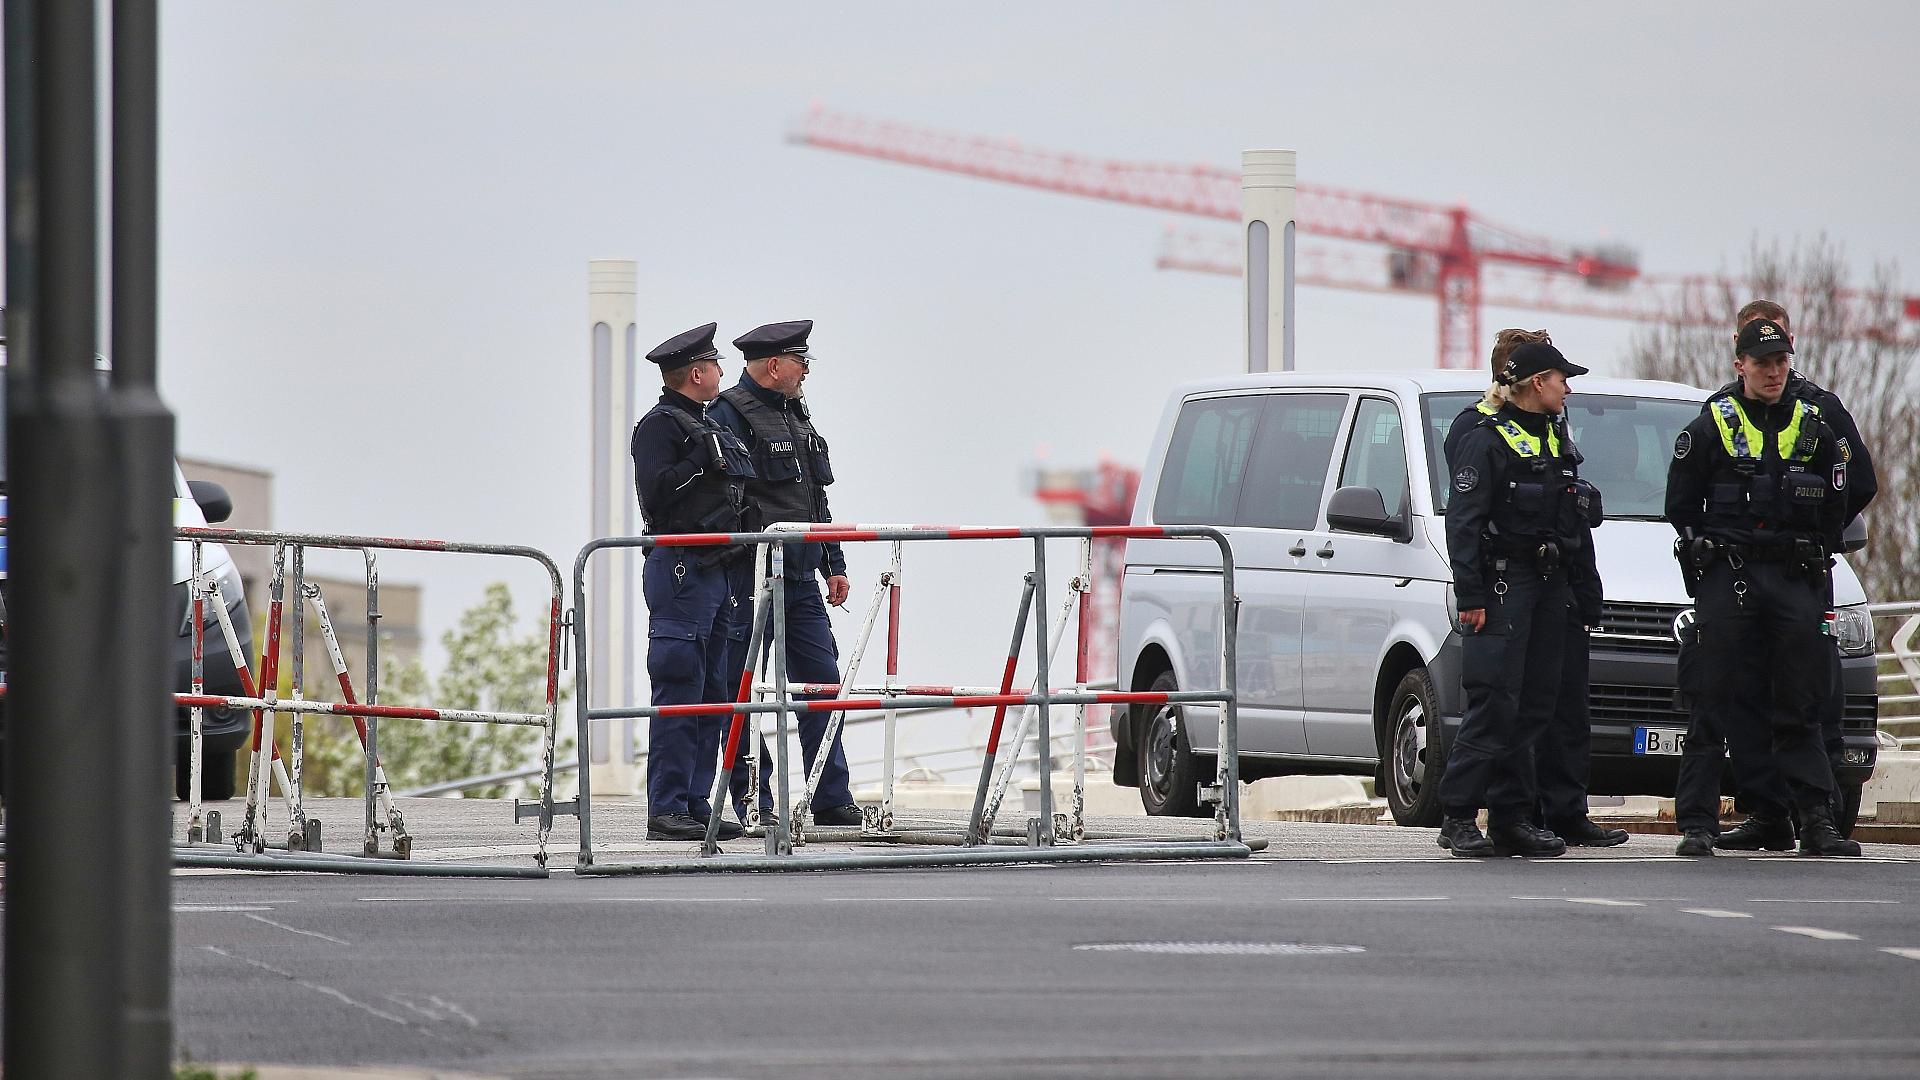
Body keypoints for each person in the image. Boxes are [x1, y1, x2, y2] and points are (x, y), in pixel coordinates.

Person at [1685, 300, 1878, 850]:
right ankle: (1764, 813)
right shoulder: (1719, 413)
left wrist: (1820, 533)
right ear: (1740, 355)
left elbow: (1856, 481)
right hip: (1737, 579)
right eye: (1761, 354)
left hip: (1798, 578)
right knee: (1736, 698)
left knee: (1806, 700)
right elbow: (1686, 499)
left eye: (1782, 353)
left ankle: (1820, 817)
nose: (1774, 368)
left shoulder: (1819, 410)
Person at [1435, 338, 1591, 858]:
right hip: (1503, 586)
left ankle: (1511, 817)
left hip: (1550, 586)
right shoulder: (1485, 440)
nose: (1568, 388)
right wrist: (1472, 594)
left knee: (1536, 705)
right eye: (1561, 378)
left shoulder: (1555, 436)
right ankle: (1457, 815)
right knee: (1495, 703)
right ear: (1536, 382)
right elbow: (1464, 522)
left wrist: (1583, 590)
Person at [709, 319, 862, 829]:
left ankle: (829, 795)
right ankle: (755, 799)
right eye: (801, 363)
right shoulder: (728, 414)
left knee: (822, 685)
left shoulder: (798, 415)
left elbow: (817, 499)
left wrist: (833, 562)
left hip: (799, 581)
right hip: (749, 581)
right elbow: (726, 499)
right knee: (744, 690)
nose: (806, 373)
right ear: (774, 365)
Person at [630, 323, 756, 841]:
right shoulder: (660, 426)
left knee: (714, 691)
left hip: (717, 571)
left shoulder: (709, 424)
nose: (723, 374)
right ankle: (666, 805)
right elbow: (656, 494)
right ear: (698, 372)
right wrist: (697, 459)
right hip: (681, 569)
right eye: (716, 365)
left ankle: (694, 800)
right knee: (681, 685)